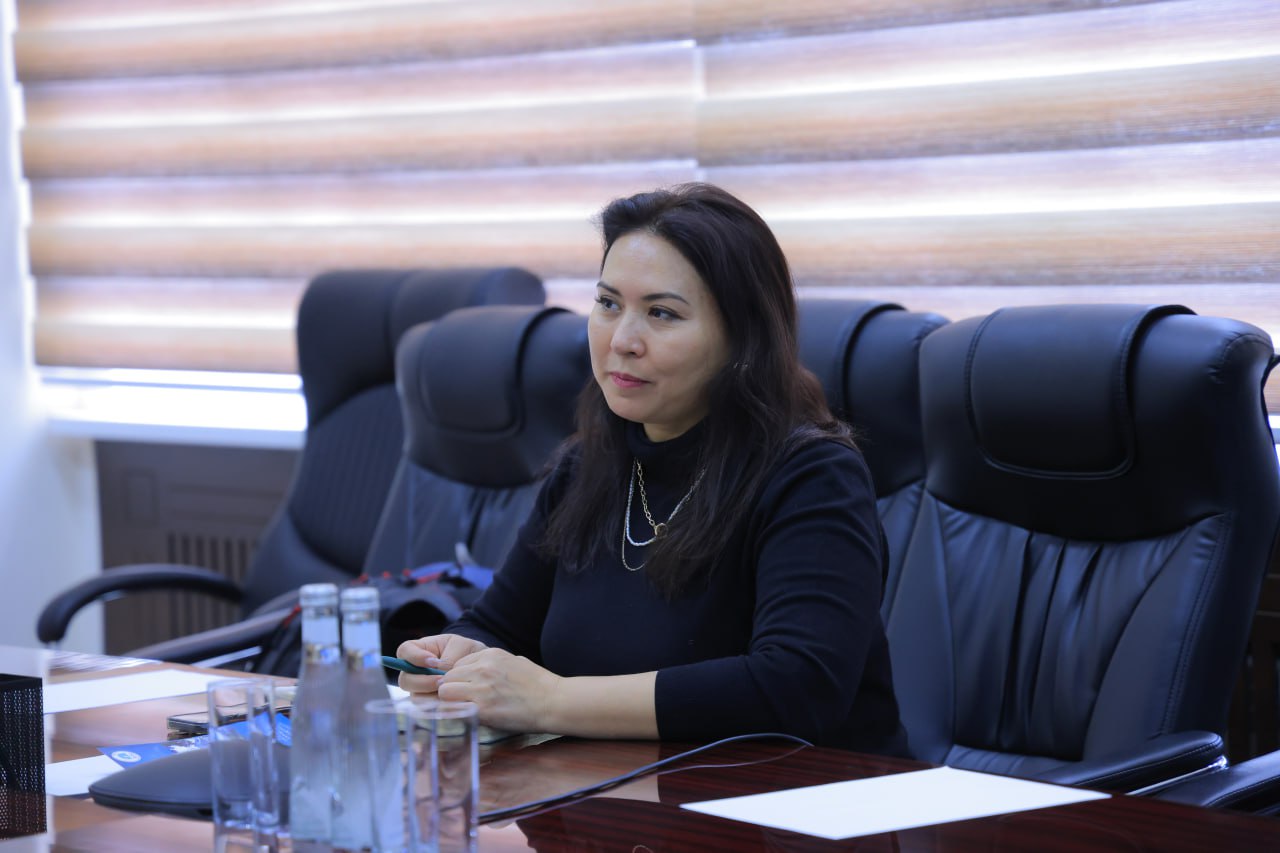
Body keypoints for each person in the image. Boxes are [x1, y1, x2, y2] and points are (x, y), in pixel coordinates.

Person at [397, 183, 909, 756]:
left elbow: (798, 686)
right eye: (608, 304)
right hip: (617, 793)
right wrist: (460, 657)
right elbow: (500, 626)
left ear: (742, 338)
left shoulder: (812, 476)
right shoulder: (586, 466)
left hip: (798, 798)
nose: (621, 340)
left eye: (662, 313)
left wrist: (551, 700)